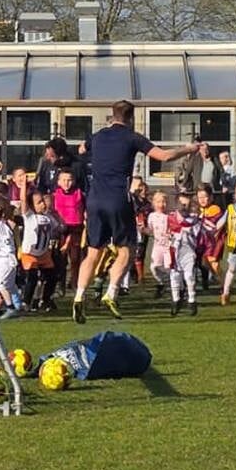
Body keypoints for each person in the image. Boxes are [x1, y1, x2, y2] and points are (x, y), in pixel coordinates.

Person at [72, 99, 198, 324]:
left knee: (93, 252)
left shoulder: (98, 136)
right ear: (131, 118)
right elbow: (164, 156)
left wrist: (93, 154)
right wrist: (190, 148)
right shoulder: (132, 137)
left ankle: (79, 297)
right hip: (118, 199)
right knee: (127, 249)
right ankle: (111, 293)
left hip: (94, 200)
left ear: (112, 115)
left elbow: (81, 148)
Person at [17, 190, 59, 313]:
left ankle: (45, 300)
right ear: (31, 206)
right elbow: (23, 201)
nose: (43, 204)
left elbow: (57, 227)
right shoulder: (30, 217)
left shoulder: (48, 217)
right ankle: (26, 302)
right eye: (39, 202)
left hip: (44, 253)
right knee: (32, 278)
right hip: (30, 253)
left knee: (52, 277)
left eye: (43, 201)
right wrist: (24, 185)